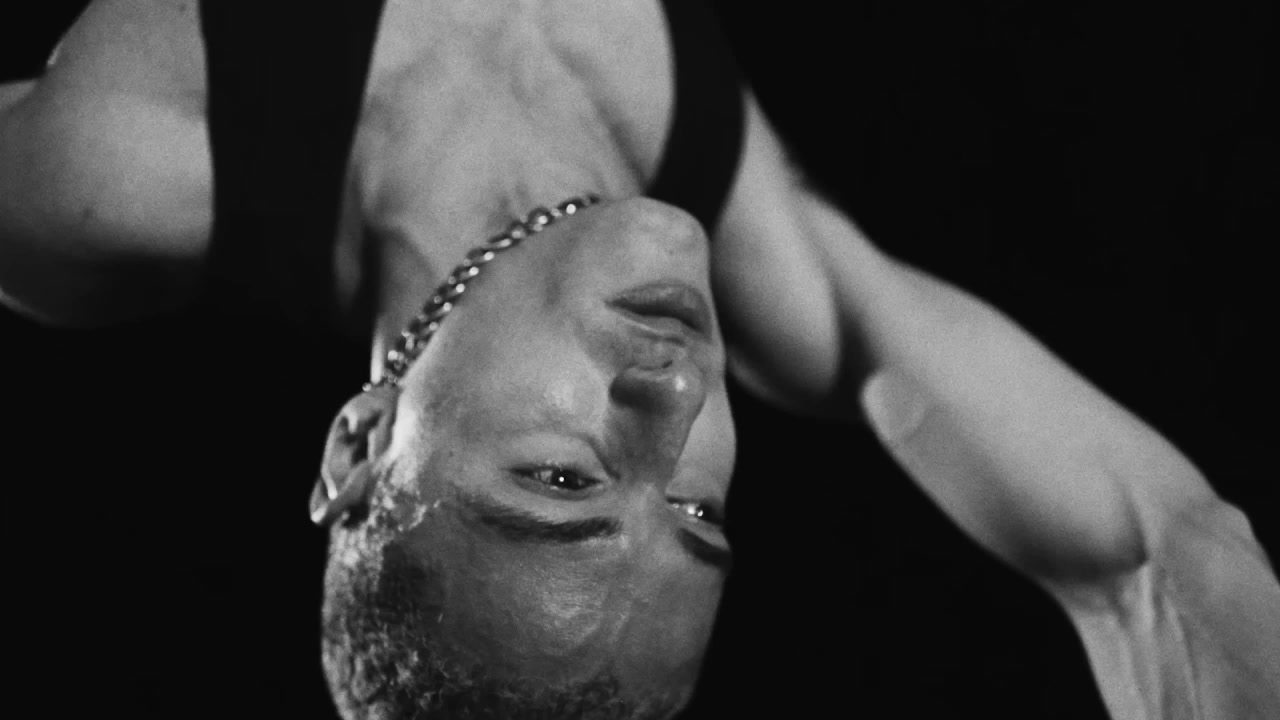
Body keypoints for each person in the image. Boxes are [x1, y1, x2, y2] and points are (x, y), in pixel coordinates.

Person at [1, 1, 1276, 718]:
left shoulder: (106, 175)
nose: (672, 394)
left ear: (363, 440)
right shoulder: (793, 288)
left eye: (561, 482)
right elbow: (1160, 565)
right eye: (697, 516)